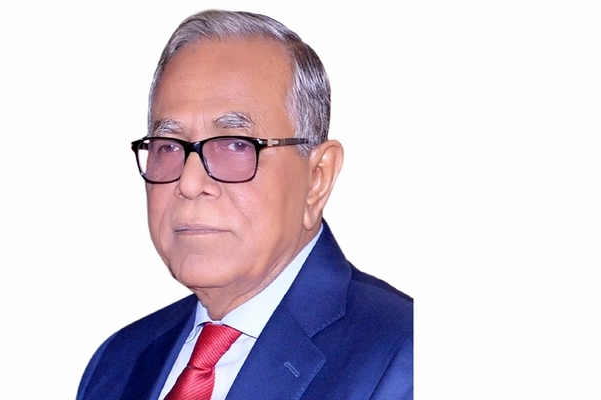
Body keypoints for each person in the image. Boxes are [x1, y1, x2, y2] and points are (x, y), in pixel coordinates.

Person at [77, 9, 413, 400]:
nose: (189, 183)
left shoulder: (408, 357)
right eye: (168, 146)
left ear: (317, 178)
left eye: (235, 145)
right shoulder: (117, 363)